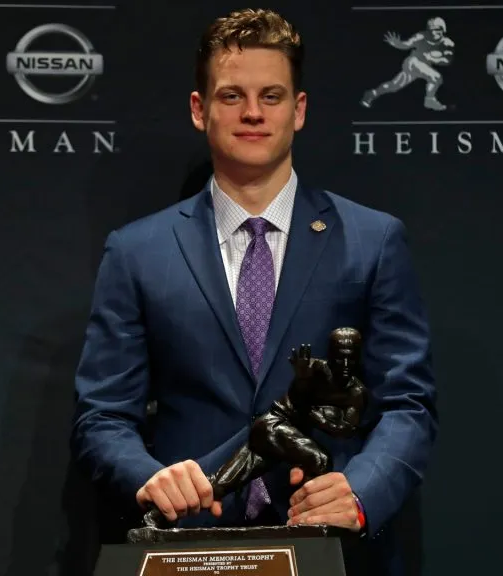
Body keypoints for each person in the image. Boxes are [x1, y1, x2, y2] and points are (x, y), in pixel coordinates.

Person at [71, 8, 438, 575]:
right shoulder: (137, 251)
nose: (251, 113)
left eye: (271, 95)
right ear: (200, 110)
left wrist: (360, 494)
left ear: (299, 109)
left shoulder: (373, 240)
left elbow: (408, 404)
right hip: (187, 549)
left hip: (330, 546)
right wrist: (146, 476)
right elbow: (101, 417)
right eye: (231, 96)